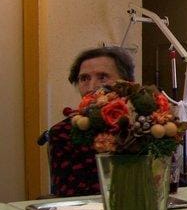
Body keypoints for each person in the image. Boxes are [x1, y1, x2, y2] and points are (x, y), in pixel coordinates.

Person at [46, 46, 136, 196]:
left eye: (102, 77)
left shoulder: (144, 125)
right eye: (84, 78)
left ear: (126, 83)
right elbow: (69, 196)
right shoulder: (63, 132)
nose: (92, 87)